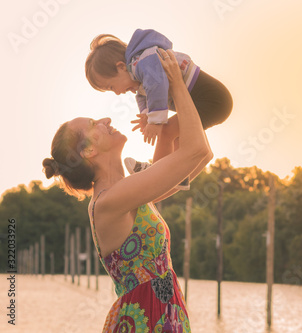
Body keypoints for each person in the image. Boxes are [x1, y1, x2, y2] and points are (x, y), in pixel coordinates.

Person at [43, 49, 211, 332]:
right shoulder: (110, 201)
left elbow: (201, 158)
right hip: (147, 320)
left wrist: (165, 127)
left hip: (160, 316)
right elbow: (195, 150)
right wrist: (176, 82)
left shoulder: (128, 192)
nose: (107, 120)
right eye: (95, 125)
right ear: (89, 150)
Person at [85, 28, 232, 189]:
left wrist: (155, 122)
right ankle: (180, 175)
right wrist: (147, 115)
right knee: (176, 137)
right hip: (208, 102)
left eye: (112, 86)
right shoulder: (139, 75)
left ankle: (155, 172)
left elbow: (156, 84)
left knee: (166, 131)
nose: (118, 93)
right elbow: (143, 96)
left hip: (213, 101)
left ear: (121, 67)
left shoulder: (144, 62)